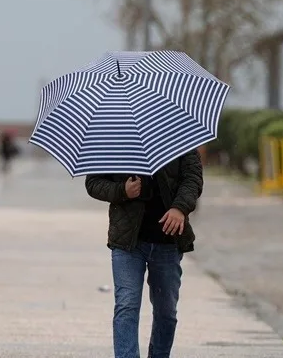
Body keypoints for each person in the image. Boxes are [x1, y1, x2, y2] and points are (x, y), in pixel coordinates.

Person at [84, 149, 203, 358]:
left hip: (168, 239)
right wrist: (123, 190)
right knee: (126, 306)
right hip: (128, 242)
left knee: (167, 312)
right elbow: (93, 183)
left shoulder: (179, 133)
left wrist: (180, 208)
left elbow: (193, 178)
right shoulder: (115, 136)